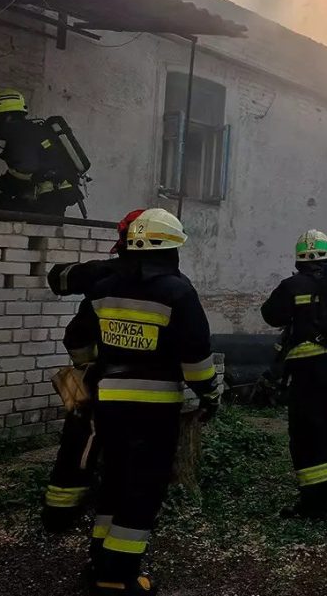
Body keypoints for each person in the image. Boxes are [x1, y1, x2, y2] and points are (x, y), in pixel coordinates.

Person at [65, 208, 220, 595]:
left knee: (115, 481)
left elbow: (76, 338)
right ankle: (117, 578)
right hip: (153, 408)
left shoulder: (103, 289)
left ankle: (99, 562)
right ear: (171, 248)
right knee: (143, 488)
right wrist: (210, 395)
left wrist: (88, 368)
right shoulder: (178, 292)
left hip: (108, 404)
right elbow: (196, 358)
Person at [41, 209, 145, 536]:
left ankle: (59, 515)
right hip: (144, 384)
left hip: (102, 377)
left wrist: (84, 366)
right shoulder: (171, 283)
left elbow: (60, 281)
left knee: (81, 441)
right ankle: (116, 511)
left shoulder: (105, 275)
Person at [261, 229, 327, 519]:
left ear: (299, 259)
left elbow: (270, 314)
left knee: (308, 434)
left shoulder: (292, 285)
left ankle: (314, 504)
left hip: (309, 370)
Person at [0, 88, 83, 215]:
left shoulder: (23, 136)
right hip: (47, 200)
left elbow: (26, 169)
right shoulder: (28, 132)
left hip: (46, 202)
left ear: (7, 117)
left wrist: (2, 187)